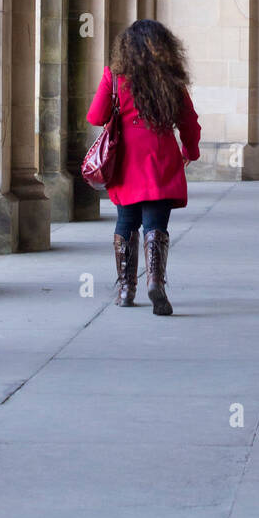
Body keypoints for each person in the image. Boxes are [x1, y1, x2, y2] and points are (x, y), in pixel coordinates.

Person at [87, 20, 201, 316]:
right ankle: (156, 283)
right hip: (161, 160)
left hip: (126, 163)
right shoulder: (171, 81)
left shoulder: (114, 77)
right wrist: (190, 150)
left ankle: (126, 289)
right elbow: (189, 121)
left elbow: (95, 116)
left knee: (126, 223)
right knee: (156, 225)